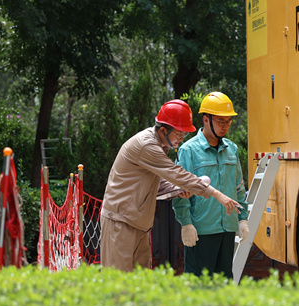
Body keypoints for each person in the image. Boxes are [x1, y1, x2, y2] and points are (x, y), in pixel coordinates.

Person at [100, 99, 242, 272]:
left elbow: (158, 184)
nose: (181, 140)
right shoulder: (147, 145)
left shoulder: (161, 145)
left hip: (138, 222)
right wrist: (216, 194)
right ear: (163, 130)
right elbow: (175, 173)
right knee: (118, 281)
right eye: (178, 135)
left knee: (139, 281)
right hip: (121, 220)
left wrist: (179, 190)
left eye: (184, 136)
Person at [173, 92, 249, 278]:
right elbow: (179, 190)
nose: (225, 126)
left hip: (227, 228)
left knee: (223, 284)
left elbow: (239, 186)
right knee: (200, 284)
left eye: (228, 122)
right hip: (201, 231)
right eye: (220, 121)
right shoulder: (188, 150)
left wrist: (243, 218)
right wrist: (186, 224)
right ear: (206, 119)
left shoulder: (231, 149)